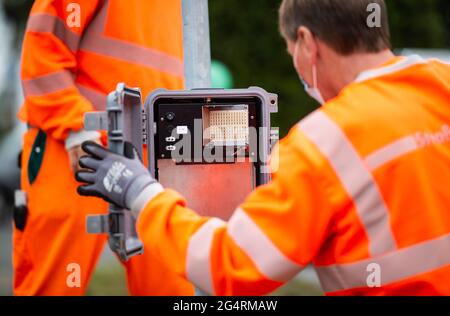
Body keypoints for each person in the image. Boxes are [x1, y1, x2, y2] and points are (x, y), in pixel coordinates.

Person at [76, 0, 450, 296]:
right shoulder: (442, 83)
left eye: (292, 53)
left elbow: (231, 264)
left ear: (307, 42)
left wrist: (141, 193)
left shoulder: (324, 141)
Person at [15, 0, 194, 295]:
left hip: (154, 157)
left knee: (170, 288)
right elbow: (43, 50)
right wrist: (75, 129)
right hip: (78, 148)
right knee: (56, 286)